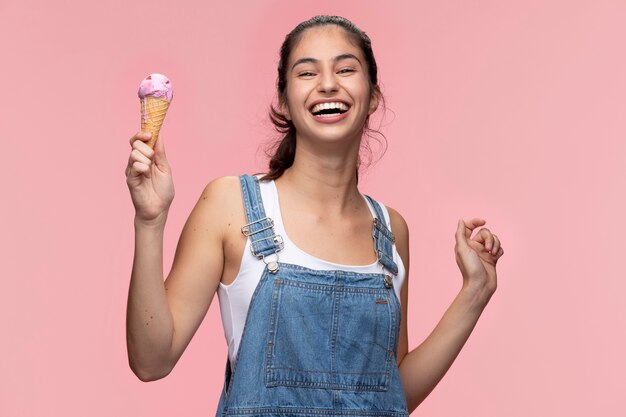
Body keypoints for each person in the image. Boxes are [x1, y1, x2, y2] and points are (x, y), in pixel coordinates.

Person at [125, 15, 504, 416]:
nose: (327, 83)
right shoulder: (230, 204)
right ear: (285, 100)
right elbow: (152, 360)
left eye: (345, 69)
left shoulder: (390, 231)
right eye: (307, 72)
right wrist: (150, 222)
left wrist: (475, 292)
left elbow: (390, 394)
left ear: (373, 95)